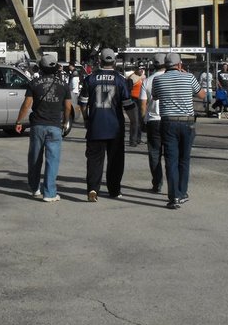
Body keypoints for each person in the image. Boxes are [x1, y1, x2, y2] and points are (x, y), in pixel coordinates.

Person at [14, 54, 72, 202]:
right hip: (55, 126)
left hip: (38, 125)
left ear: (40, 68)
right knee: (52, 160)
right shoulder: (63, 85)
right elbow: (68, 106)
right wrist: (66, 122)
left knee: (34, 157)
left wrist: (19, 121)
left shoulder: (34, 83)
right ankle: (50, 192)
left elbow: (27, 104)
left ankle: (34, 188)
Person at [151, 52, 206, 209]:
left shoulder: (158, 79)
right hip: (187, 122)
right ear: (180, 64)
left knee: (171, 160)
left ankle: (173, 196)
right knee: (184, 159)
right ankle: (182, 192)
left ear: (165, 65)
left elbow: (155, 97)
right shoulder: (188, 77)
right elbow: (202, 95)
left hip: (168, 122)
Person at [79, 48, 132, 200]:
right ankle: (114, 190)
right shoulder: (120, 79)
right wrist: (135, 122)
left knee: (94, 160)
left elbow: (83, 103)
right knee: (115, 160)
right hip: (115, 127)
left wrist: (86, 118)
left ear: (99, 60)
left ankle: (93, 189)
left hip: (96, 125)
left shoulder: (90, 78)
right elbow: (128, 105)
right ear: (114, 61)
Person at [139, 53, 168, 193]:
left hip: (153, 120)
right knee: (170, 153)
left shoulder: (147, 81)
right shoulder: (171, 79)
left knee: (155, 153)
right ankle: (173, 184)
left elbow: (143, 104)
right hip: (168, 120)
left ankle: (157, 183)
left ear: (154, 65)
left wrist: (143, 119)